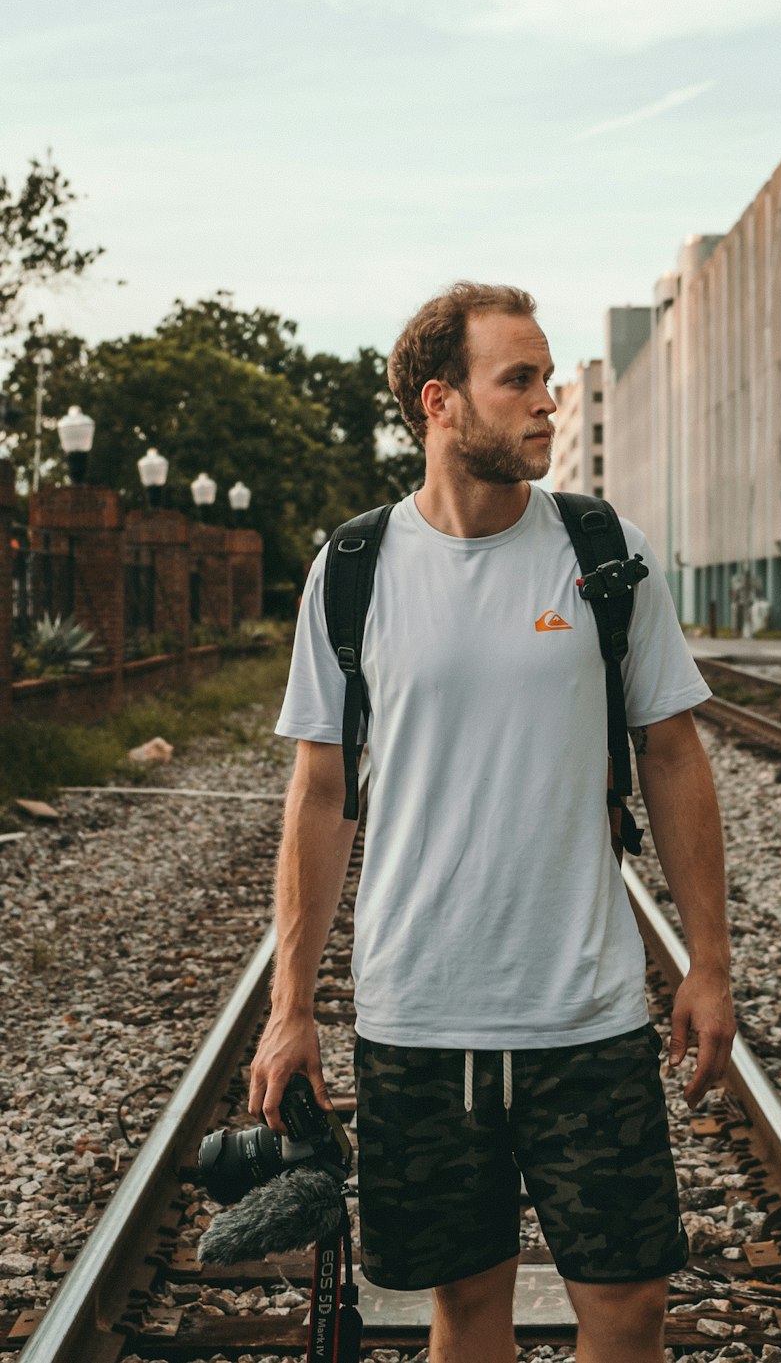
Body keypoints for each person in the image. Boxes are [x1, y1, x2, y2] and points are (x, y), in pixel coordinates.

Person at [249, 281, 736, 1363]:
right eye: (518, 380)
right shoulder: (356, 570)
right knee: (466, 1312)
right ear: (440, 402)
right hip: (420, 1020)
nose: (546, 403)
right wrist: (292, 1006)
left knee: (630, 1308)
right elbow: (320, 794)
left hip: (588, 1017)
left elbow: (671, 753)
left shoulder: (606, 553)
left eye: (548, 379)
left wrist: (707, 962)